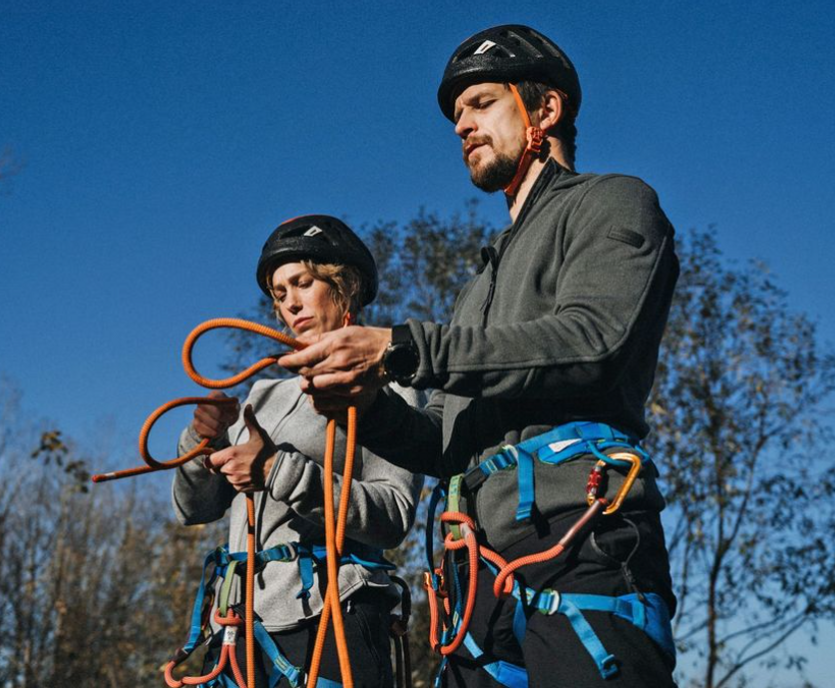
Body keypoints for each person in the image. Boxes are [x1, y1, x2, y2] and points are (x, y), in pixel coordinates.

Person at [278, 25, 679, 688]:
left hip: (582, 540)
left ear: (546, 109)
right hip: (474, 579)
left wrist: (402, 346)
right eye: (456, 115)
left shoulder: (612, 202)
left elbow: (593, 341)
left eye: (482, 103)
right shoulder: (476, 289)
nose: (462, 125)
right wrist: (367, 402)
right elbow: (440, 440)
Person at [172, 215, 423, 688]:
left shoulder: (390, 388)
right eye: (279, 293)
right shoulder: (263, 396)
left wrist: (274, 470)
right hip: (239, 624)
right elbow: (193, 507)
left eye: (302, 283)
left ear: (344, 286)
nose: (290, 302)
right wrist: (202, 441)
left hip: (332, 615)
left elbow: (394, 514)